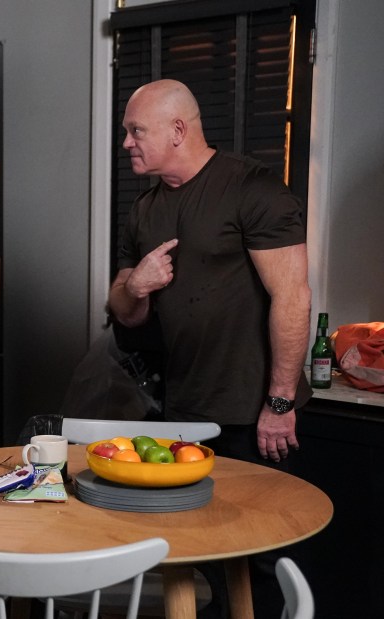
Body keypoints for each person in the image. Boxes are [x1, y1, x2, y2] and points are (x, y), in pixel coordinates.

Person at [107, 79, 311, 617]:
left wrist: (280, 404)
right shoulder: (144, 209)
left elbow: (292, 297)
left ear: (178, 130)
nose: (126, 142)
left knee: (262, 555)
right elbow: (122, 309)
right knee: (200, 552)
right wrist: (137, 285)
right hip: (181, 409)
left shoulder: (254, 188)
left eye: (135, 131)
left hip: (252, 412)